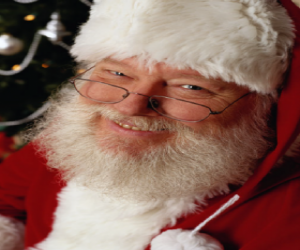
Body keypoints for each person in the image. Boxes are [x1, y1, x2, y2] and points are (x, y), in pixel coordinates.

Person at [0, 0, 300, 249]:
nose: (129, 106)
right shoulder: (77, 137)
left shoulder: (289, 210)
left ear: (267, 105)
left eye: (190, 87)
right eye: (117, 74)